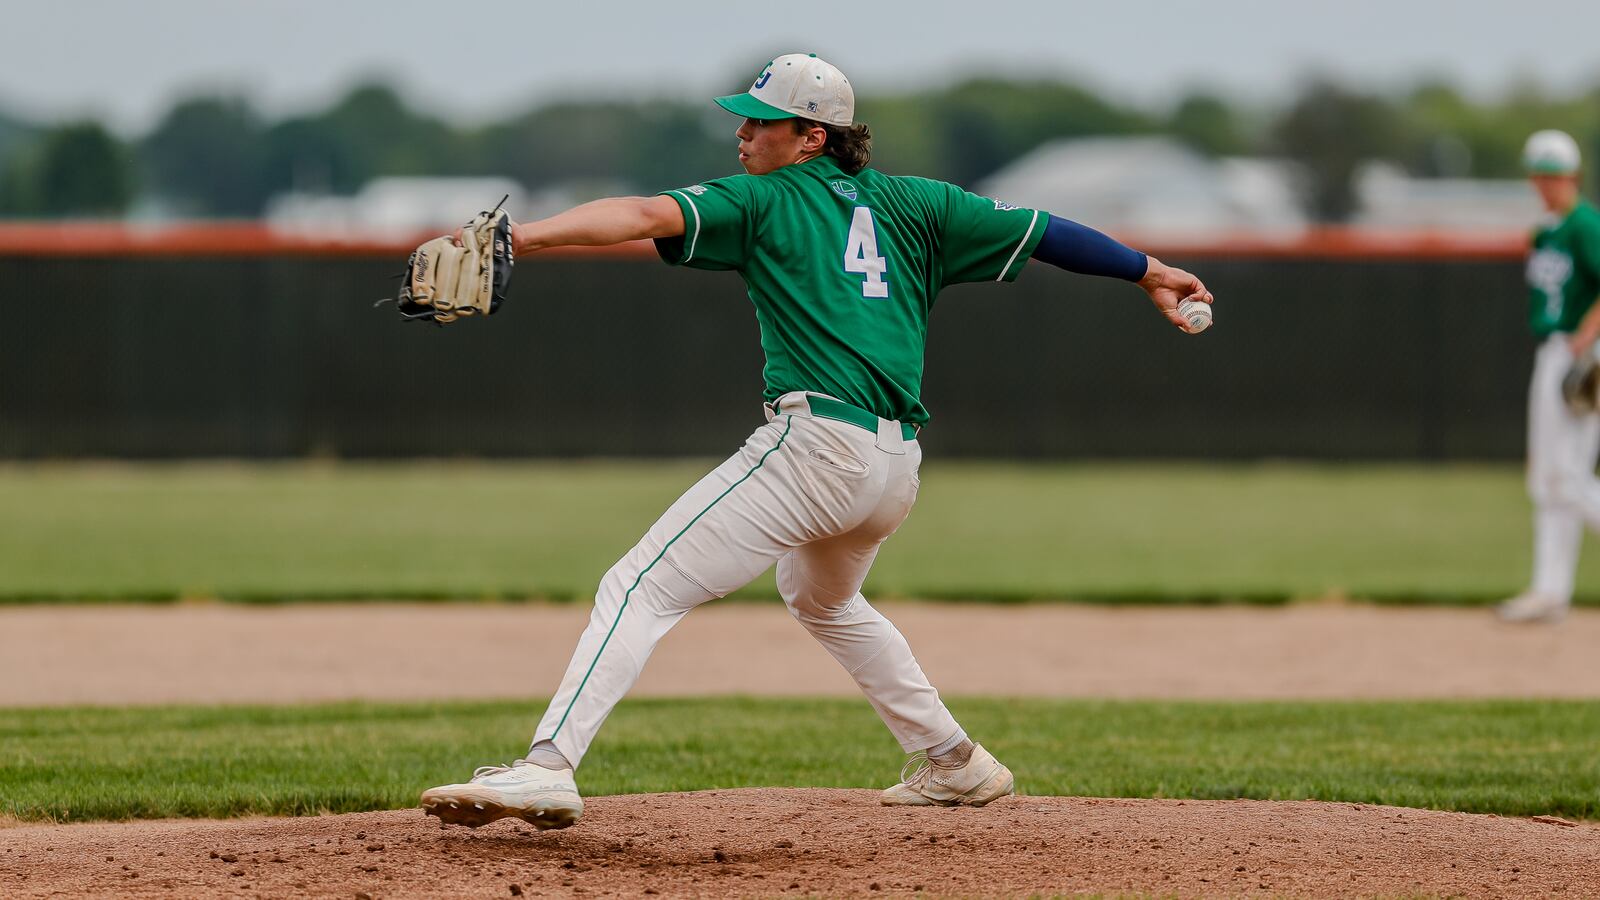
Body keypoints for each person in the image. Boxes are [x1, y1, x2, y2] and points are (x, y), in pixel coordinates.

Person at [419, 53, 1214, 829]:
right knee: (821, 597)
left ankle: (547, 768)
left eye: (762, 122)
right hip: (894, 466)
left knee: (640, 585)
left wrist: (519, 236)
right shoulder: (921, 203)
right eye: (744, 121)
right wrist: (1148, 271)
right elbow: (1047, 231)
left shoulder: (764, 202)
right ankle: (955, 760)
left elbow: (640, 214)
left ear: (813, 136)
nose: (743, 136)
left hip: (817, 448)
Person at [1499, 129, 1600, 625]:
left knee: (1570, 474)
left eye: (1554, 176)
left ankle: (1550, 591)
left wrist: (1588, 333)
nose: (1546, 184)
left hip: (1582, 354)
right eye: (1540, 175)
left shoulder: (1584, 224)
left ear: (1573, 177)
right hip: (1552, 352)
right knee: (1547, 478)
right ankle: (1550, 592)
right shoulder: (1547, 228)